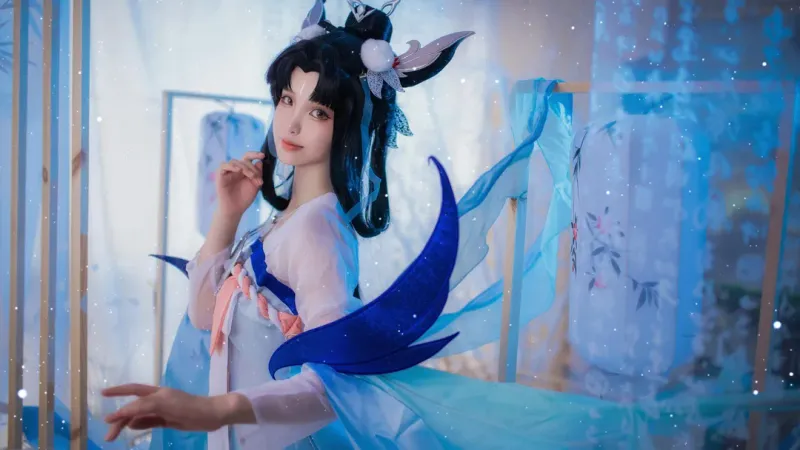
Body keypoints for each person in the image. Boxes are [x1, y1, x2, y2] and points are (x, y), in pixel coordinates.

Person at [102, 1, 800, 449]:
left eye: (318, 110)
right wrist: (227, 217)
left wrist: (213, 411)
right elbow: (205, 319)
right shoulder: (280, 222)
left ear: (351, 125)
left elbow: (329, 386)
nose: (291, 120)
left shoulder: (315, 233)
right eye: (288, 98)